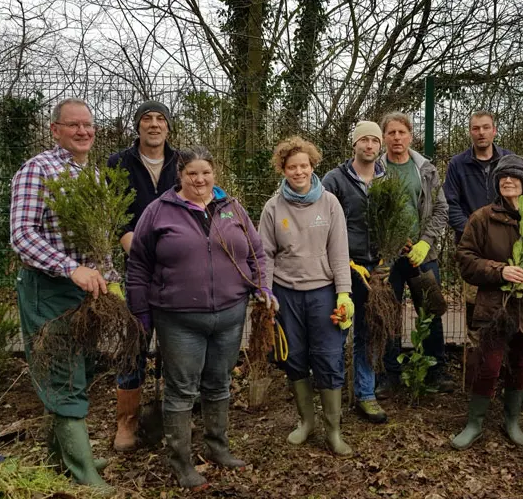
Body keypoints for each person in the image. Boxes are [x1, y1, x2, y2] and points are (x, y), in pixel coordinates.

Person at [126, 146, 269, 491]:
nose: (200, 179)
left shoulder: (232, 208)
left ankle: (218, 448)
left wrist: (262, 289)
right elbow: (139, 265)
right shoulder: (158, 211)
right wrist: (141, 312)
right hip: (178, 318)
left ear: (214, 174)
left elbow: (256, 253)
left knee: (219, 384)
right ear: (180, 175)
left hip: (230, 315)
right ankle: (182, 461)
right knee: (181, 390)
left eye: (205, 172)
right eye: (192, 173)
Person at [10, 98, 116, 490]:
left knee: (82, 368)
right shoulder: (37, 170)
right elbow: (22, 235)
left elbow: (97, 238)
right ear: (55, 130)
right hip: (48, 289)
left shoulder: (92, 175)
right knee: (63, 373)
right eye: (73, 125)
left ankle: (63, 459)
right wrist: (71, 268)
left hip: (83, 291)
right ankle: (83, 473)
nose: (84, 131)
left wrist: (108, 278)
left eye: (88, 125)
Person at [453, 155, 523, 450]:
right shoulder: (481, 218)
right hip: (494, 306)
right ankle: (475, 422)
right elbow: (465, 260)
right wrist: (499, 270)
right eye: (503, 177)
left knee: (521, 362)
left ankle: (512, 421)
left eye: (514, 177)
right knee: (488, 364)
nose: (507, 181)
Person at [258, 136, 355, 456]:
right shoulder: (273, 208)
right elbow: (266, 255)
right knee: (294, 358)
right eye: (291, 167)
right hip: (286, 295)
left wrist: (344, 294)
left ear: (313, 166)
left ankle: (334, 430)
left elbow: (339, 253)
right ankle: (306, 422)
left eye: (304, 165)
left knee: (328, 356)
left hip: (324, 294)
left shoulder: (329, 204)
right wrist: (266, 292)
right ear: (283, 169)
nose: (298, 171)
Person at [106, 100, 179, 452]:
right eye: (146, 119)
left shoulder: (182, 163)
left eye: (160, 119)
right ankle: (127, 423)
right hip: (134, 264)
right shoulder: (118, 164)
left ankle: (168, 416)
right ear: (137, 127)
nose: (153, 124)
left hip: (176, 270)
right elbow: (111, 210)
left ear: (168, 127)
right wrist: (130, 242)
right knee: (133, 343)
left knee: (174, 345)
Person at [376, 112, 454, 394]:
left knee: (430, 310)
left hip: (422, 255)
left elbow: (441, 209)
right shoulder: (375, 170)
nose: (397, 138)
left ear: (411, 135)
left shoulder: (426, 169)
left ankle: (436, 369)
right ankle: (389, 373)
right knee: (387, 312)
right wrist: (386, 244)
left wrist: (425, 242)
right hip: (388, 256)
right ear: (384, 137)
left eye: (402, 132)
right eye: (391, 133)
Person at [323, 121, 389, 424]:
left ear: (380, 146)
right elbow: (322, 222)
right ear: (354, 145)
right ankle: (332, 390)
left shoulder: (387, 179)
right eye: (364, 140)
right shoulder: (335, 180)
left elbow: (396, 219)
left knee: (369, 330)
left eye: (374, 141)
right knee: (339, 330)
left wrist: (388, 252)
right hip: (344, 267)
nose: (369, 146)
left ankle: (366, 393)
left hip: (376, 269)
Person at [443, 111, 513, 244]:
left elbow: (519, 200)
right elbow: (450, 204)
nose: (481, 132)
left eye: (486, 127)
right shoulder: (457, 164)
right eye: (476, 128)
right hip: (469, 242)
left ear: (494, 131)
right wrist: (471, 231)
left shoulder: (509, 160)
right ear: (470, 132)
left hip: (505, 240)